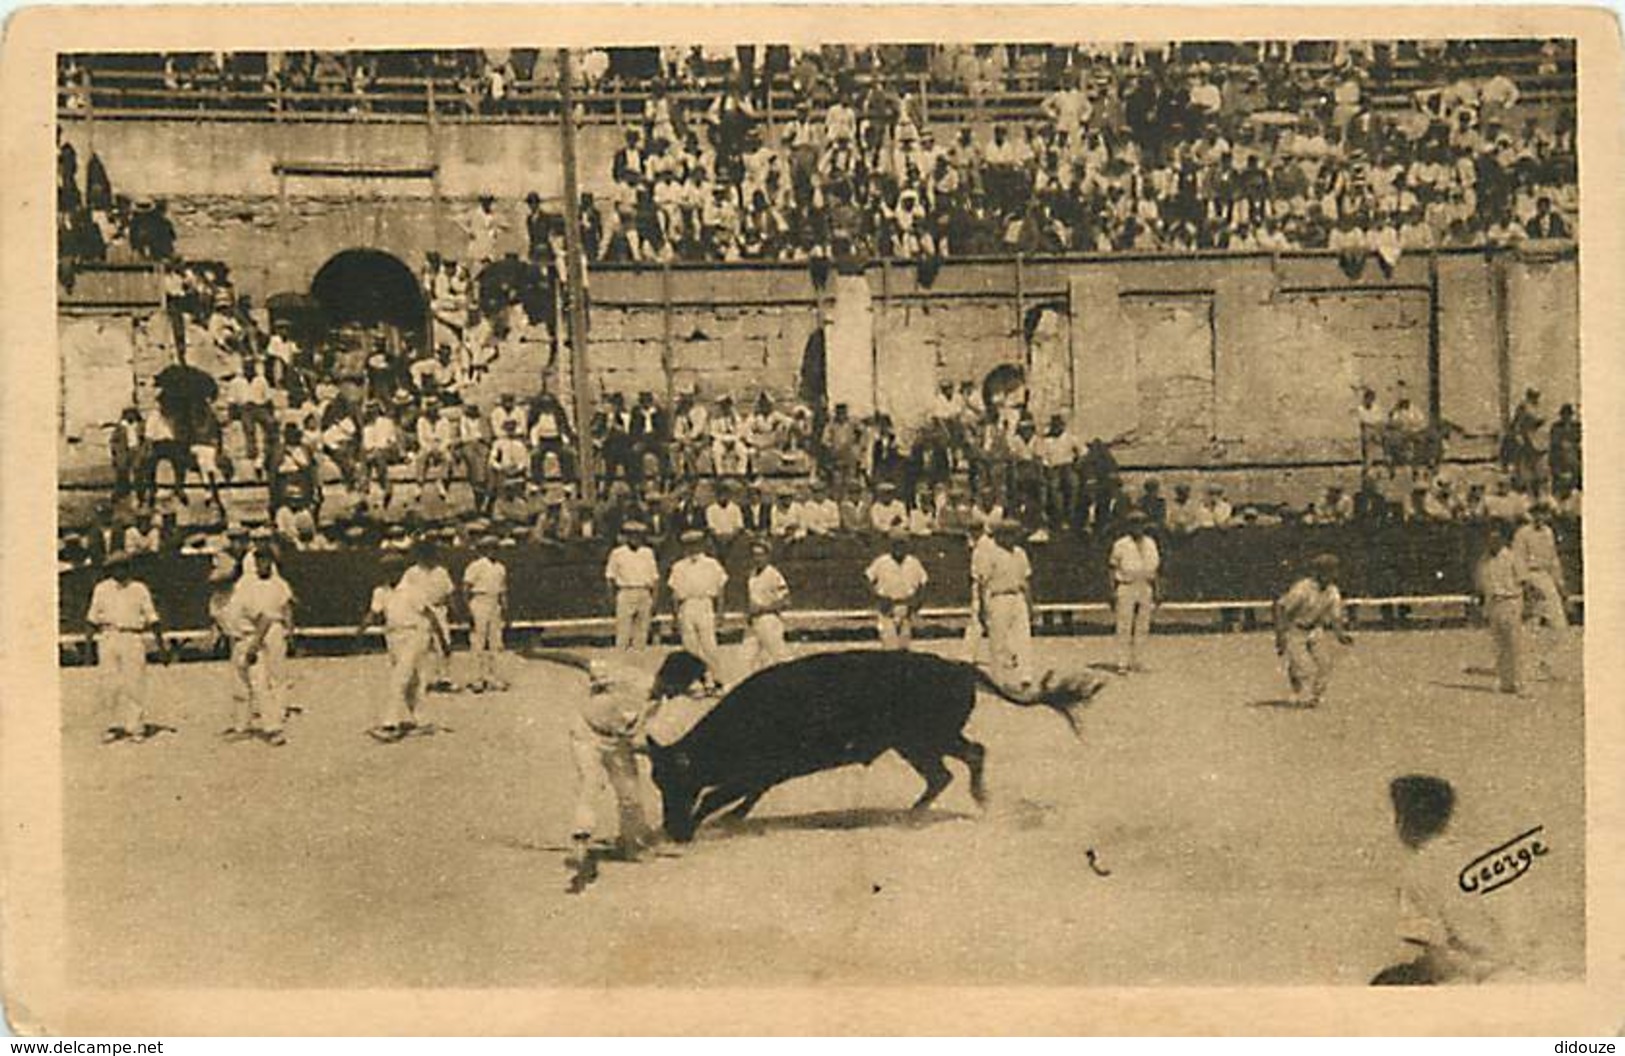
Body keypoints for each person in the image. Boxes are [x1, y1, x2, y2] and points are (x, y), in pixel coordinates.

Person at [526, 649, 708, 864]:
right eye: (683, 685)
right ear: (672, 680)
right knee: (591, 782)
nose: (683, 692)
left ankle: (630, 846)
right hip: (587, 733)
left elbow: (633, 736)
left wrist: (664, 755)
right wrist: (537, 653)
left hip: (617, 743)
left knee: (630, 796)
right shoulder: (628, 677)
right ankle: (580, 838)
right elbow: (582, 662)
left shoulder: (658, 701)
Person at [1371, 775, 1545, 984]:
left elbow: (1436, 959)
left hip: (1472, 983)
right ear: (1447, 818)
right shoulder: (1480, 858)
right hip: (1522, 977)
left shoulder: (1417, 871)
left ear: (1401, 820)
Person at [354, 553, 450, 742]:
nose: (389, 574)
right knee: (411, 681)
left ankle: (390, 723)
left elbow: (430, 615)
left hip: (414, 635)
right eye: (386, 570)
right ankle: (422, 720)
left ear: (401, 571)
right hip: (393, 636)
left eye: (393, 570)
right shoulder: (380, 592)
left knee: (399, 678)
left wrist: (442, 640)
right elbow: (373, 614)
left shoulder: (413, 590)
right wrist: (360, 632)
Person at [84, 551, 172, 743]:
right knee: (109, 683)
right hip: (108, 636)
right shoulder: (102, 589)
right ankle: (112, 725)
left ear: (129, 568)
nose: (119, 570)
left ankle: (135, 727)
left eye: (123, 566)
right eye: (115, 567)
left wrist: (162, 648)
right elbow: (91, 619)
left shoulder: (139, 589)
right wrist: (88, 648)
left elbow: (152, 619)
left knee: (135, 682)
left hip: (132, 637)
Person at [220, 544, 295, 745]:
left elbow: (264, 619)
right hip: (236, 642)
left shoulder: (246, 592)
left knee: (259, 685)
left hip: (250, 640)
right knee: (240, 687)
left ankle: (273, 728)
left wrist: (254, 646)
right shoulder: (230, 596)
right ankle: (241, 727)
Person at [1272, 553, 1355, 707]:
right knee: (1303, 666)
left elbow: (1335, 616)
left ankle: (1314, 696)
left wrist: (1340, 635)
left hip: (1316, 630)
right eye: (1328, 571)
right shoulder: (1302, 588)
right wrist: (1280, 635)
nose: (1332, 575)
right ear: (1318, 572)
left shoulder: (1333, 591)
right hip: (1296, 629)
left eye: (1334, 571)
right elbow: (1281, 607)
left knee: (1325, 664)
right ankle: (1299, 692)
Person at [667, 529, 728, 691]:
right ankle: (695, 681)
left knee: (709, 644)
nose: (692, 549)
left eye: (696, 544)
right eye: (689, 545)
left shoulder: (711, 564)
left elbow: (720, 590)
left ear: (702, 545)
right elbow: (674, 594)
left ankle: (716, 679)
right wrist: (675, 617)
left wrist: (720, 612)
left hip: (705, 604)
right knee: (690, 646)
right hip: (687, 605)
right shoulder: (678, 567)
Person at [1512, 507, 1568, 680]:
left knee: (1559, 626)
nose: (1541, 517)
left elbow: (1553, 560)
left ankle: (1546, 663)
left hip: (1546, 579)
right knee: (1531, 625)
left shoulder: (1548, 532)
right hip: (1531, 578)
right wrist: (1525, 584)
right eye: (1538, 513)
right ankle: (1524, 667)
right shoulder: (1523, 533)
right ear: (1531, 514)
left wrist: (1560, 584)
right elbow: (1518, 559)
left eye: (1545, 513)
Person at [979, 519, 1035, 691]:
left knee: (1023, 637)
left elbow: (1026, 580)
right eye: (1008, 534)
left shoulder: (1020, 553)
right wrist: (983, 607)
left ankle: (1025, 676)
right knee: (998, 639)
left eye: (1014, 533)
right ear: (999, 536)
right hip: (998, 598)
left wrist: (1030, 604)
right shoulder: (989, 554)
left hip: (1017, 597)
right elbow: (983, 583)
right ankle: (998, 679)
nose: (1012, 537)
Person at [398, 538, 457, 693]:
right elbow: (403, 593)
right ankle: (421, 680)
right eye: (426, 553)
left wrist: (454, 609)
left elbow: (449, 593)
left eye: (431, 553)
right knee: (420, 646)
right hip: (419, 612)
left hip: (439, 610)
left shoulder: (441, 571)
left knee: (444, 644)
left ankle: (444, 678)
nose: (430, 556)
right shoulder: (412, 572)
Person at [1475, 525, 1529, 696]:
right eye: (1490, 539)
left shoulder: (1513, 557)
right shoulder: (1483, 560)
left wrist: (1525, 606)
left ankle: (1520, 682)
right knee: (1498, 644)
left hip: (1511, 601)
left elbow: (1523, 582)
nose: (1493, 543)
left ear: (1503, 540)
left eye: (1497, 539)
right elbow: (1481, 585)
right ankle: (1504, 681)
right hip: (1493, 603)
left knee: (1515, 644)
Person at [1109, 510, 1160, 674]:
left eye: (1141, 523)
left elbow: (1155, 568)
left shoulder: (1151, 543)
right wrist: (1111, 590)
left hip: (1145, 584)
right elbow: (1112, 568)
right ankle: (1122, 662)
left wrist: (1157, 589)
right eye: (1134, 523)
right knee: (1124, 624)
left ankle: (1138, 660)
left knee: (1143, 625)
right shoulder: (1121, 544)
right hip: (1126, 584)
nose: (1138, 527)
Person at [461, 532, 509, 693]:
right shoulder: (475, 566)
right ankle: (477, 680)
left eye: (495, 548)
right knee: (478, 642)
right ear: (483, 549)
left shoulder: (500, 567)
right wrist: (468, 609)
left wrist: (504, 608)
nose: (492, 551)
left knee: (496, 642)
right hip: (479, 601)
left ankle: (494, 678)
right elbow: (466, 589)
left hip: (494, 603)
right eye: (489, 548)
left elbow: (502, 591)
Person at [865, 529, 929, 650]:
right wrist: (878, 599)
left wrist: (916, 602)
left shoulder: (913, 562)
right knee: (889, 646)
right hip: (887, 608)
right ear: (890, 545)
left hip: (907, 608)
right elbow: (867, 580)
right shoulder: (881, 562)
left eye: (902, 544)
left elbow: (924, 583)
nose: (899, 547)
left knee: (905, 645)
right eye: (896, 544)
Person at [605, 521, 659, 651]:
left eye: (638, 535)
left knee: (642, 634)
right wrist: (611, 598)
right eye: (631, 535)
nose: (635, 538)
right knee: (623, 633)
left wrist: (655, 599)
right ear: (626, 537)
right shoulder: (617, 553)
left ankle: (638, 664)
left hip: (644, 591)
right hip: (626, 591)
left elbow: (655, 578)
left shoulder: (648, 553)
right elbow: (610, 577)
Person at [742, 539, 792, 672]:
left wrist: (763, 608)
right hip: (753, 622)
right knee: (746, 657)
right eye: (754, 555)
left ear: (767, 556)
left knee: (779, 656)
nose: (757, 558)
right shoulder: (752, 574)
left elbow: (786, 601)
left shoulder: (774, 575)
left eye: (760, 555)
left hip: (769, 620)